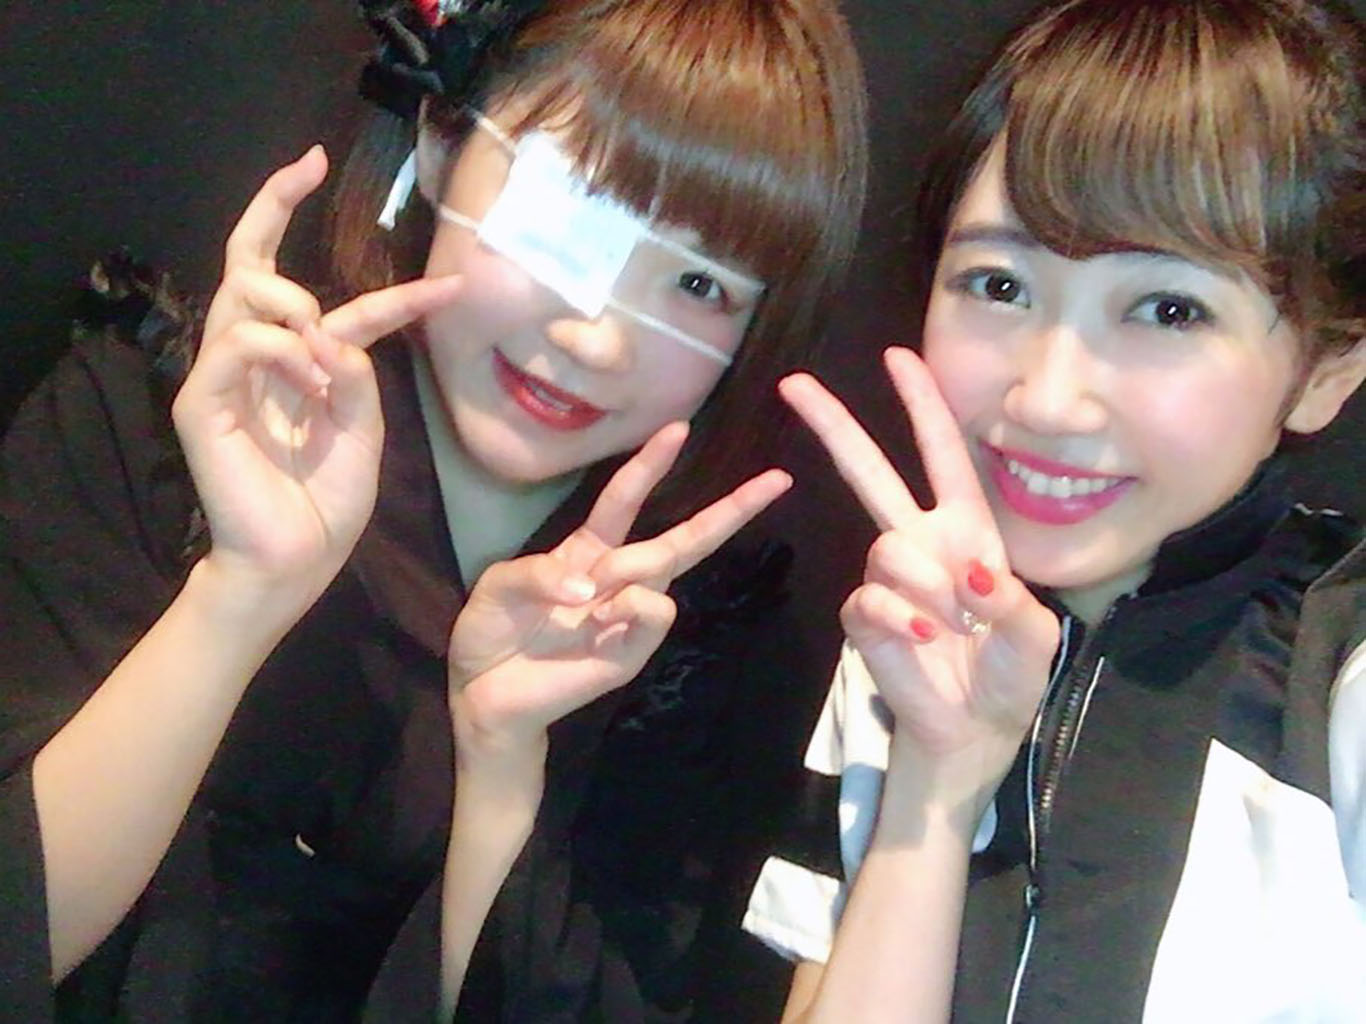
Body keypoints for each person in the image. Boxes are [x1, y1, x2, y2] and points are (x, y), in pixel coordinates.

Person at [0, 0, 867, 1019]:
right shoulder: (156, 426)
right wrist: (239, 595)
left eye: (695, 282)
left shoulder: (689, 640)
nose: (594, 339)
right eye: (573, 216)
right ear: (442, 143)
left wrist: (504, 767)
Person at [741, 0, 1366, 1019]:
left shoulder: (1338, 687)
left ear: (1327, 368)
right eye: (998, 285)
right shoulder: (910, 633)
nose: (1046, 399)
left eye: (1168, 309)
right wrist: (937, 781)